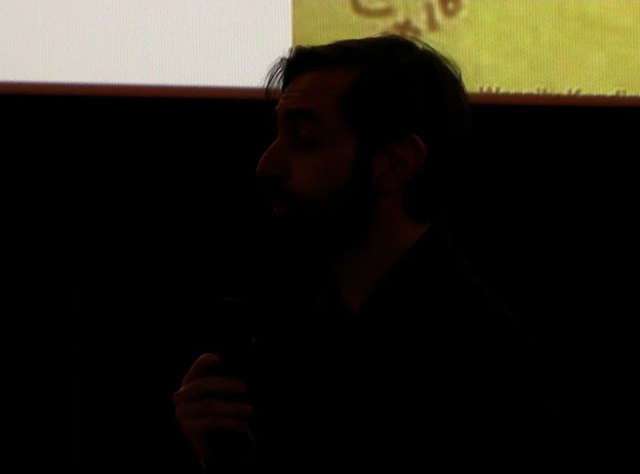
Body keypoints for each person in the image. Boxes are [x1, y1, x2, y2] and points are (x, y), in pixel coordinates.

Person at [173, 34, 562, 471]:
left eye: (304, 138)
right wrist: (221, 455)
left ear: (394, 164)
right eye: (276, 133)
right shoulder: (294, 327)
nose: (267, 164)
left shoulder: (480, 357)